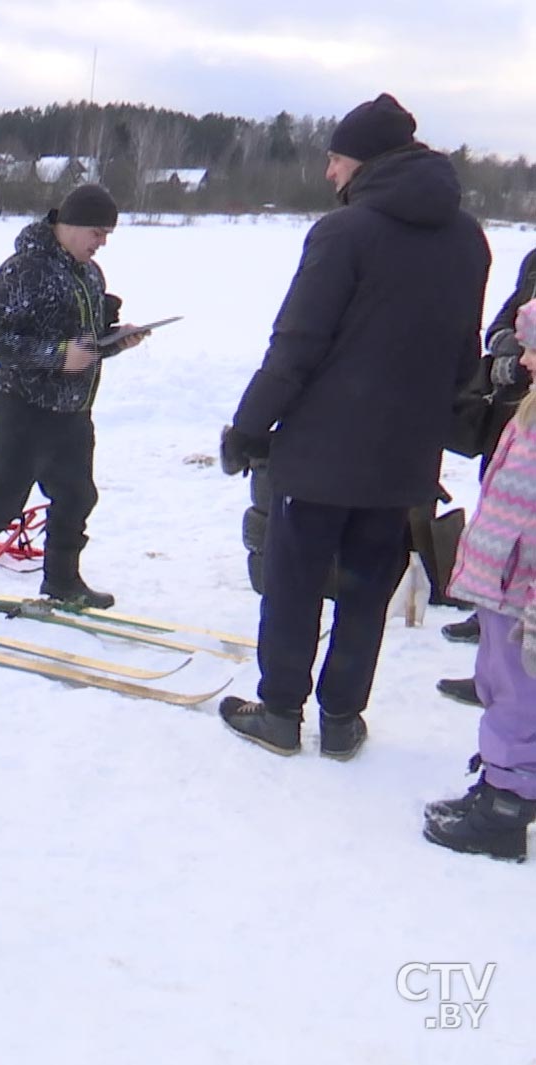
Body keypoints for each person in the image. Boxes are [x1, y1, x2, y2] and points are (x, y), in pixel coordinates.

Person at [218, 92, 490, 760]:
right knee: (368, 590)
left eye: (336, 159)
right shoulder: (469, 238)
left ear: (363, 160)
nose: (329, 174)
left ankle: (280, 711)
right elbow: (463, 353)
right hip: (405, 458)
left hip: (319, 451)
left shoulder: (344, 232)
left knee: (294, 583)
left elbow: (297, 343)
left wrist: (248, 426)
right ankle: (342, 719)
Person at [0, 183, 149, 622]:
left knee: (77, 496)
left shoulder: (90, 274)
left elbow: (85, 345)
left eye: (106, 235)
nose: (101, 242)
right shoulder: (24, 270)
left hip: (73, 410)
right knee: (1, 502)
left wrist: (118, 341)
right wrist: (56, 356)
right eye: (97, 232)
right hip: (23, 409)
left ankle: (62, 580)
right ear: (69, 225)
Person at [423, 300, 536, 861]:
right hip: (502, 581)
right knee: (497, 681)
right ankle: (498, 778)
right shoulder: (528, 411)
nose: (525, 360)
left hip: (525, 590)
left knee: (519, 695)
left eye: (534, 349)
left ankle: (507, 810)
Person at [435, 245, 536, 706]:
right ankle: (490, 657)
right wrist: (508, 347)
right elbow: (503, 321)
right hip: (513, 415)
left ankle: (514, 687)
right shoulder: (535, 261)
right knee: (496, 516)